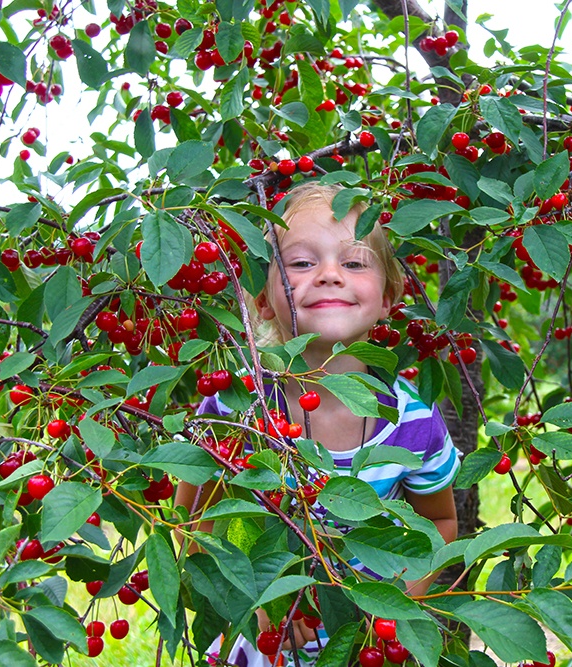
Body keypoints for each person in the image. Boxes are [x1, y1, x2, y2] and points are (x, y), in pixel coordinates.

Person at [174, 182, 461, 667]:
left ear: (389, 297)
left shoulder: (414, 422)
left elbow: (440, 522)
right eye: (303, 263)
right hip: (259, 650)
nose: (329, 274)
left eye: (353, 262)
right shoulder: (234, 408)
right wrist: (249, 598)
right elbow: (190, 523)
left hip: (365, 652)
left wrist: (390, 606)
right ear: (263, 302)